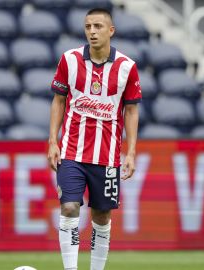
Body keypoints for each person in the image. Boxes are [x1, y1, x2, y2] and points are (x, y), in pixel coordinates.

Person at [48, 7, 142, 270]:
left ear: (111, 31)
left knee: (101, 216)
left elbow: (132, 111)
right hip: (71, 153)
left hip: (108, 157)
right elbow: (58, 101)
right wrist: (52, 141)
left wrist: (131, 152)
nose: (92, 32)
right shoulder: (69, 60)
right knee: (69, 208)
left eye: (98, 26)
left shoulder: (127, 68)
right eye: (88, 27)